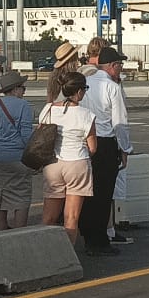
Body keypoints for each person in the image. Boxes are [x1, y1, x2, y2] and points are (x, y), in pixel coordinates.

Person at [82, 47, 134, 253]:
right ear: (112, 66)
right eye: (119, 65)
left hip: (85, 141)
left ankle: (86, 234)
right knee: (104, 195)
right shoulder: (111, 87)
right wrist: (125, 148)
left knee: (87, 191)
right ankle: (99, 240)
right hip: (105, 142)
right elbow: (120, 123)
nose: (121, 69)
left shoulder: (85, 83)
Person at [40, 72, 98, 245]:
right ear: (79, 91)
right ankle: (68, 257)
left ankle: (44, 250)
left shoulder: (49, 108)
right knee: (71, 217)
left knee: (49, 217)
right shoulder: (86, 114)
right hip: (77, 163)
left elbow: (41, 136)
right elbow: (93, 147)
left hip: (53, 164)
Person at [0, 69, 36, 230]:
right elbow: (26, 135)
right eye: (22, 88)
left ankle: (1, 230)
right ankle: (19, 232)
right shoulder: (24, 106)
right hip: (16, 156)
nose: (23, 91)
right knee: (21, 194)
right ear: (15, 89)